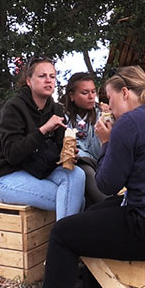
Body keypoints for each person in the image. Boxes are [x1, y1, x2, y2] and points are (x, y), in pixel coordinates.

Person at [37, 65, 145, 288]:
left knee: (62, 233)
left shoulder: (131, 122)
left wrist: (106, 142)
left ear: (125, 93)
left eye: (110, 99)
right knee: (94, 214)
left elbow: (106, 184)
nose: (109, 106)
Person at [0, 57, 86, 220]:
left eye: (52, 76)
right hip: (7, 176)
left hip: (37, 170)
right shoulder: (13, 108)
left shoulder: (55, 109)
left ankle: (63, 241)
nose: (48, 80)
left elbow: (60, 147)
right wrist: (44, 130)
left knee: (77, 175)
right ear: (29, 81)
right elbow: (13, 154)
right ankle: (64, 242)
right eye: (42, 76)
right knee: (73, 200)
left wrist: (69, 153)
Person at [62, 72, 107, 207]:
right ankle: (112, 206)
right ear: (72, 96)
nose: (91, 96)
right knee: (83, 171)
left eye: (93, 92)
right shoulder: (62, 116)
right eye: (85, 92)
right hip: (74, 164)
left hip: (98, 163)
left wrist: (103, 124)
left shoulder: (101, 114)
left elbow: (99, 151)